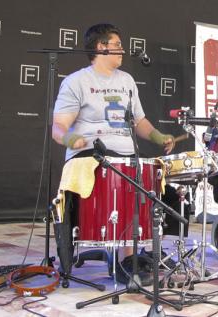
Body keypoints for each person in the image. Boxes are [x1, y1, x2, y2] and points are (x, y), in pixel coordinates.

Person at [52, 23, 175, 284]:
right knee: (119, 174)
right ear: (101, 47)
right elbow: (58, 127)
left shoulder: (127, 81)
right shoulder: (77, 81)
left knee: (148, 174)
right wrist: (70, 137)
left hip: (126, 155)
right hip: (91, 155)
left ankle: (133, 258)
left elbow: (139, 121)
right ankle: (124, 261)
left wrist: (157, 136)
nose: (123, 50)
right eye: (117, 45)